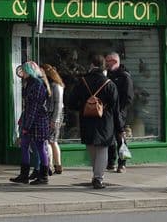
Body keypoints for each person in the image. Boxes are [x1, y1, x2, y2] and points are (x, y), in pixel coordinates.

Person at [68, 54, 123, 189]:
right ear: (104, 67)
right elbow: (116, 109)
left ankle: (96, 174)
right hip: (105, 121)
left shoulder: (82, 82)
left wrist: (83, 107)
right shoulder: (110, 84)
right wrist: (120, 128)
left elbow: (71, 102)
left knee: (92, 148)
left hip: (86, 120)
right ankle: (98, 178)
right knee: (102, 149)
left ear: (92, 65)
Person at [10, 61, 51, 185]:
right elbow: (28, 107)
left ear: (29, 71)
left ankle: (43, 176)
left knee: (40, 147)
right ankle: (24, 175)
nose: (22, 73)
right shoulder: (29, 84)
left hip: (37, 120)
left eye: (24, 70)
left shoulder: (38, 84)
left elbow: (34, 107)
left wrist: (26, 126)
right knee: (24, 146)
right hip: (29, 118)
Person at [105, 52, 134, 174]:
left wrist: (120, 111)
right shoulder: (107, 75)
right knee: (109, 137)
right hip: (109, 112)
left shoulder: (124, 76)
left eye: (108, 61)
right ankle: (111, 162)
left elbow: (128, 97)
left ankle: (122, 163)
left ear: (115, 61)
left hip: (120, 113)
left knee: (120, 137)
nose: (106, 63)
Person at [41, 63, 65, 174]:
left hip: (54, 115)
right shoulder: (51, 84)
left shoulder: (56, 85)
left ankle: (50, 165)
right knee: (53, 141)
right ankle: (57, 165)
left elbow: (58, 103)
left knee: (50, 140)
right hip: (52, 114)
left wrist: (54, 120)